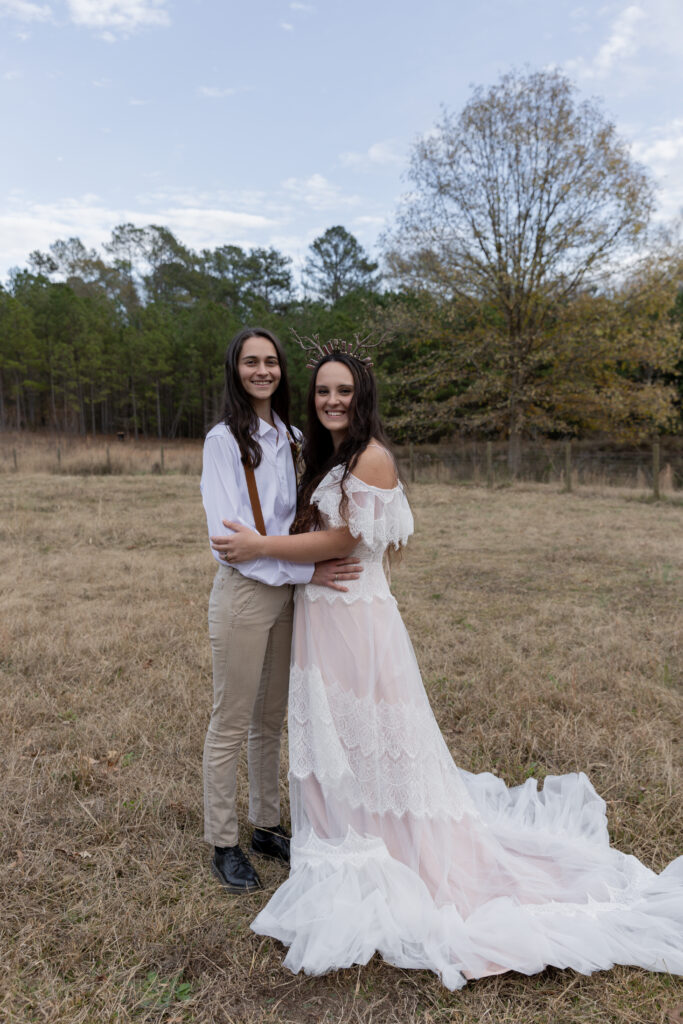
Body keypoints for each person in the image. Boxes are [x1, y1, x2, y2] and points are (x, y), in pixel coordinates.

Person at [212, 340, 683, 989]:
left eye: (342, 390)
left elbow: (350, 538)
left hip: (354, 618)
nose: (330, 400)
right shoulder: (325, 451)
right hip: (323, 611)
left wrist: (263, 545)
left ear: (362, 395)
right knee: (338, 733)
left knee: (370, 731)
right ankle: (343, 831)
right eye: (322, 390)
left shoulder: (372, 456)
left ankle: (394, 849)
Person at [200, 326, 361, 895]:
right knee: (232, 718)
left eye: (271, 361)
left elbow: (294, 521)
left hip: (290, 592)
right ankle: (223, 840)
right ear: (235, 369)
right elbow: (232, 541)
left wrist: (306, 568)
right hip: (246, 593)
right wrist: (303, 569)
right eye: (251, 361)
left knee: (272, 718)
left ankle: (268, 825)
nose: (262, 370)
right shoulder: (223, 441)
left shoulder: (294, 435)